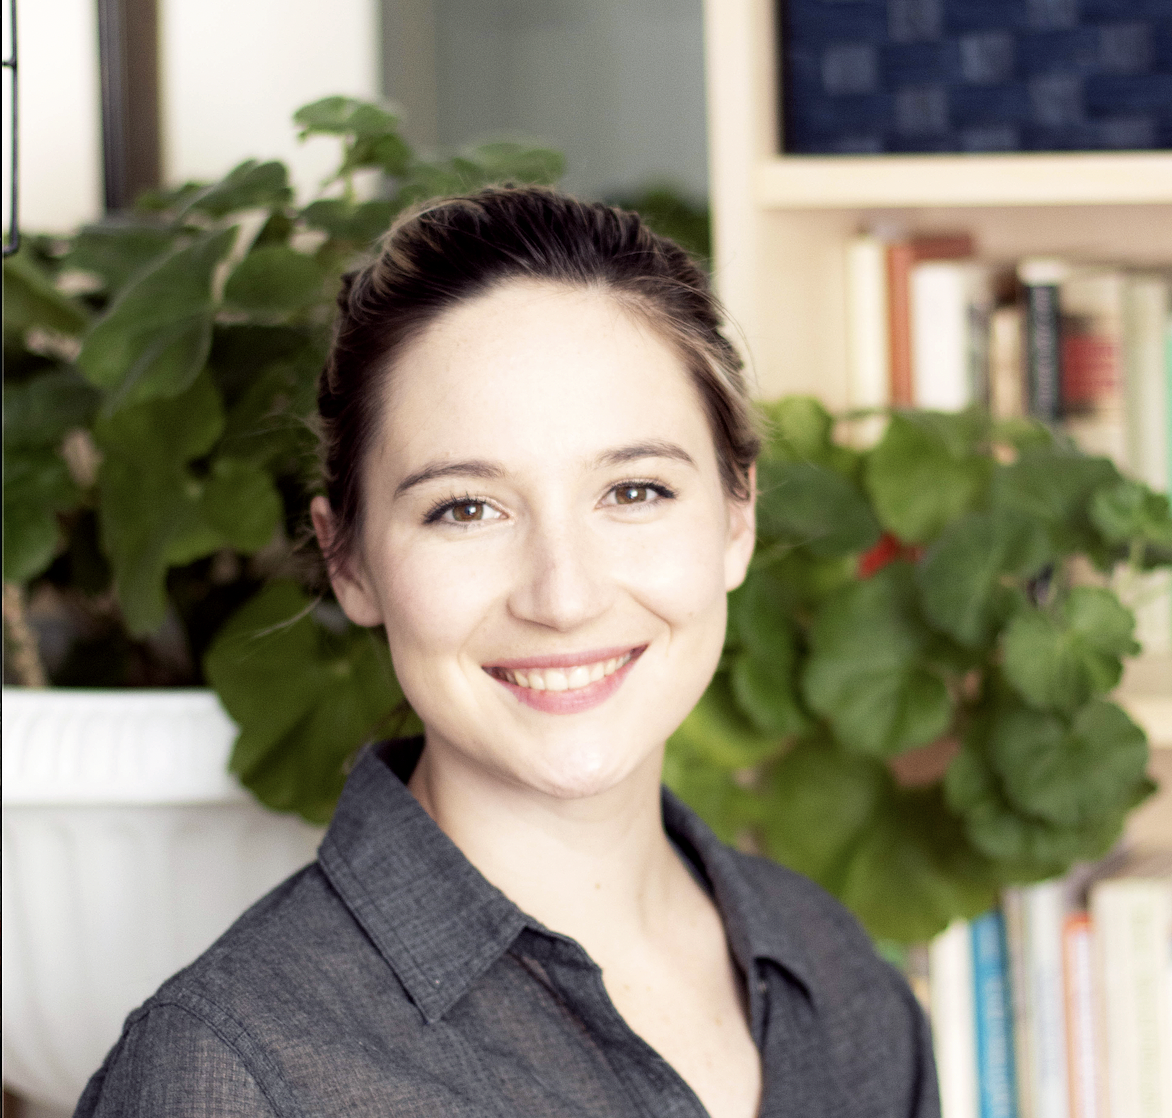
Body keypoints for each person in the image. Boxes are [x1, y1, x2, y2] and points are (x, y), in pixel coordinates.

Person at [75, 186, 939, 1118]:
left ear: (738, 516)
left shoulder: (842, 981)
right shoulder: (229, 1071)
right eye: (465, 508)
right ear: (348, 558)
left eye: (635, 491)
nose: (563, 598)